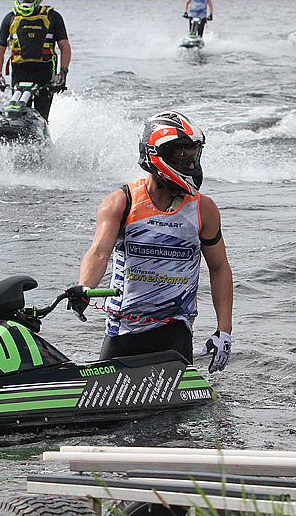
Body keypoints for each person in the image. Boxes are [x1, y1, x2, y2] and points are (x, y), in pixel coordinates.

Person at [73, 111, 233, 374]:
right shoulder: (121, 202)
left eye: (194, 154)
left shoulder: (204, 209)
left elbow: (220, 269)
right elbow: (99, 252)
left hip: (175, 329)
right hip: (123, 328)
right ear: (156, 155)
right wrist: (84, 288)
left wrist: (224, 330)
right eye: (182, 155)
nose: (191, 165)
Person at [0, 0, 71, 120]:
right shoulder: (10, 18)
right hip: (20, 72)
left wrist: (63, 73)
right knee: (19, 112)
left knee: (41, 115)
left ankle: (42, 138)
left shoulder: (53, 17)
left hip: (46, 73)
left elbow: (65, 47)